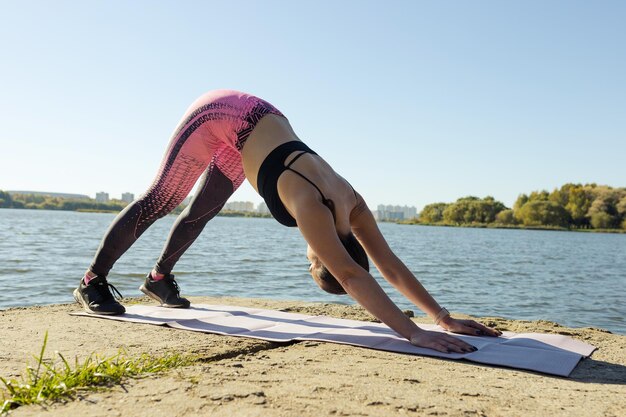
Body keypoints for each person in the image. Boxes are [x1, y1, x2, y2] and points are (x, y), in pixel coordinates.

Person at [74, 89, 501, 354]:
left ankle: (158, 278)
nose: (308, 259)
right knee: (161, 199)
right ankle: (92, 280)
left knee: (204, 209)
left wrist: (443, 317)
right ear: (323, 257)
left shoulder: (354, 207)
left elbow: (388, 265)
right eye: (314, 266)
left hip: (258, 125)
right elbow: (353, 275)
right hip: (221, 113)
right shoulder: (313, 209)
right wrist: (414, 333)